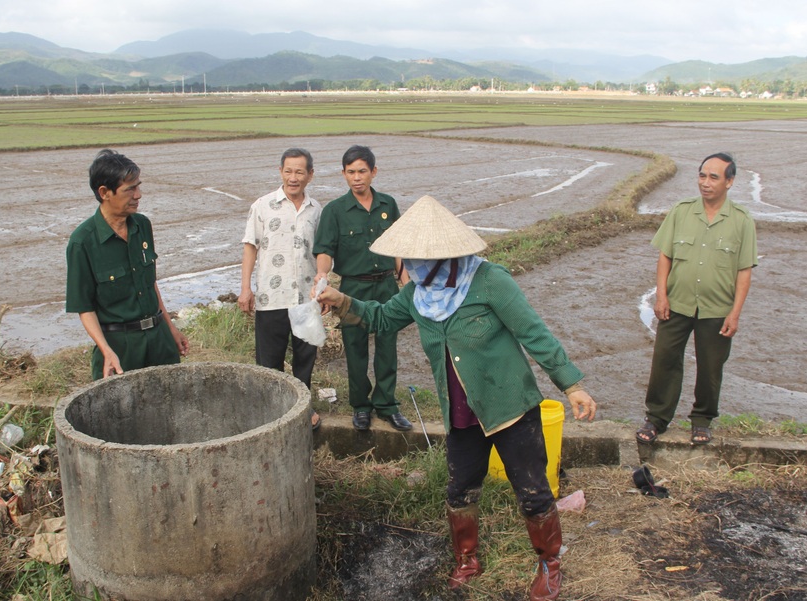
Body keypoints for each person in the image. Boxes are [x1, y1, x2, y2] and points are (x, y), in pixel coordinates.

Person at [317, 195, 597, 600]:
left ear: (444, 255)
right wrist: (341, 301)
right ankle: (467, 560)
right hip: (461, 413)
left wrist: (572, 385)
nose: (408, 267)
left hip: (509, 407)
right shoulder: (418, 294)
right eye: (407, 259)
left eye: (415, 258)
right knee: (460, 489)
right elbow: (380, 318)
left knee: (533, 492)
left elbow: (533, 333)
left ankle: (549, 564)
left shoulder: (489, 281)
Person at [636, 152, 758, 446]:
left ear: (730, 182)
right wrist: (661, 297)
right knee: (665, 361)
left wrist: (735, 314)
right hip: (676, 304)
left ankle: (702, 421)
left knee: (711, 367)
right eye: (702, 175)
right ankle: (656, 419)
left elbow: (744, 272)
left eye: (714, 177)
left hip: (717, 309)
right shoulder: (681, 212)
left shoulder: (741, 221)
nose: (705, 182)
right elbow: (665, 256)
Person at [312, 145, 413, 432]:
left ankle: (387, 404)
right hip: (353, 287)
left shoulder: (388, 205)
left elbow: (398, 248)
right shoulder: (334, 211)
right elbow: (325, 250)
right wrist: (322, 275)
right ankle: (360, 406)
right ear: (343, 174)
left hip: (385, 285)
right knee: (355, 348)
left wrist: (405, 284)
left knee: (387, 346)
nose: (357, 178)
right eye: (351, 172)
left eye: (362, 171)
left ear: (373, 172)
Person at [66, 149, 189, 380]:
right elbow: (84, 307)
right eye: (130, 189)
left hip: (158, 340)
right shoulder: (83, 242)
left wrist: (170, 329)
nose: (138, 194)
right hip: (120, 347)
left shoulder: (142, 226)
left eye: (138, 186)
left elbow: (150, 284)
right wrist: (107, 351)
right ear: (105, 192)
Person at [239, 148, 322, 429]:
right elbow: (250, 247)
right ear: (280, 172)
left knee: (305, 358)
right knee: (269, 360)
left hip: (306, 297)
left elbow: (322, 252)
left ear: (310, 175)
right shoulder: (262, 206)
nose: (293, 177)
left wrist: (324, 286)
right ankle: (271, 412)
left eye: (299, 171)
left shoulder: (317, 210)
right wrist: (245, 288)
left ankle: (302, 408)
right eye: (288, 171)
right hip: (270, 296)